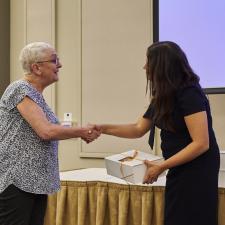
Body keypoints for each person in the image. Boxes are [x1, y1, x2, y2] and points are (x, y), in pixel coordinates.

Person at [95, 41, 220, 225]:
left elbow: (201, 143)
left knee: (192, 217)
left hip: (197, 169)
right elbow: (138, 129)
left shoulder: (189, 93)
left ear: (162, 66)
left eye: (148, 62)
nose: (144, 67)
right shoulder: (163, 96)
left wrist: (162, 166)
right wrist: (102, 129)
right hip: (178, 166)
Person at [0, 42, 100, 225]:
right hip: (18, 182)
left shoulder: (35, 95)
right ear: (36, 68)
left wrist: (79, 132)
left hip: (35, 183)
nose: (60, 65)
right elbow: (45, 131)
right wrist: (81, 131)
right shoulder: (20, 89)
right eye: (54, 60)